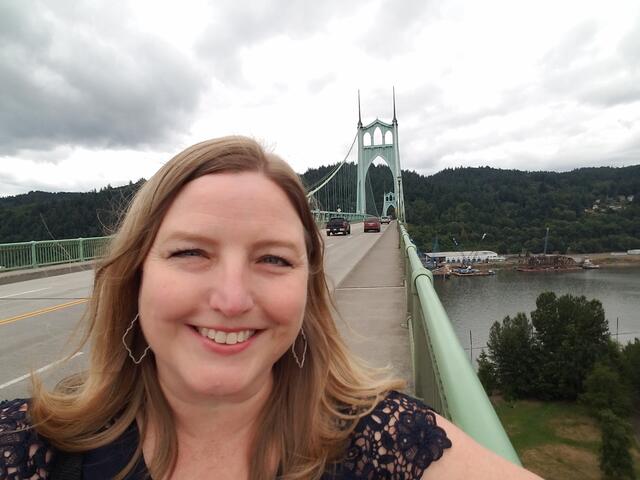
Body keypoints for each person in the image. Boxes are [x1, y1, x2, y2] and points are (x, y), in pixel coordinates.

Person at [0, 137, 540, 479]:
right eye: (190, 252)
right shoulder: (26, 446)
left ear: (308, 288)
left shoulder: (386, 443)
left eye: (274, 260)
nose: (232, 300)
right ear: (135, 276)